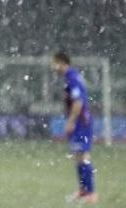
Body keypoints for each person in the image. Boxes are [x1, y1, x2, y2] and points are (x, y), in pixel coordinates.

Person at [52, 51, 98, 204]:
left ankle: (91, 193)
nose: (54, 67)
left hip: (81, 122)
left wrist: (71, 121)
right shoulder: (70, 77)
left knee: (83, 155)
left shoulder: (72, 77)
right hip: (80, 121)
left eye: (55, 63)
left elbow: (78, 102)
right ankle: (83, 190)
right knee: (78, 155)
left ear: (62, 62)